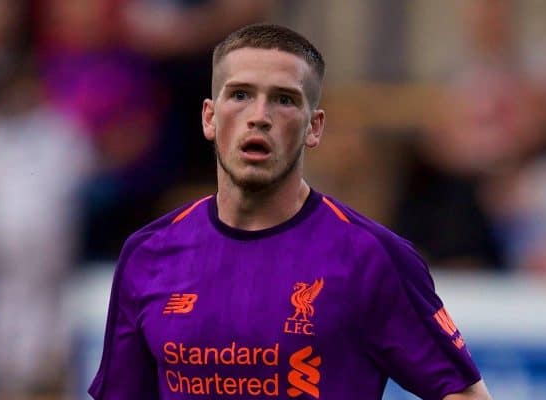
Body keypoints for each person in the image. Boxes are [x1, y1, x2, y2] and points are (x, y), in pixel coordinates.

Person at [89, 24, 492, 399]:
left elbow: (464, 394)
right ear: (209, 118)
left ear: (313, 128)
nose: (259, 117)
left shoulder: (372, 257)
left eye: (284, 100)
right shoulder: (147, 254)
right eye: (240, 94)